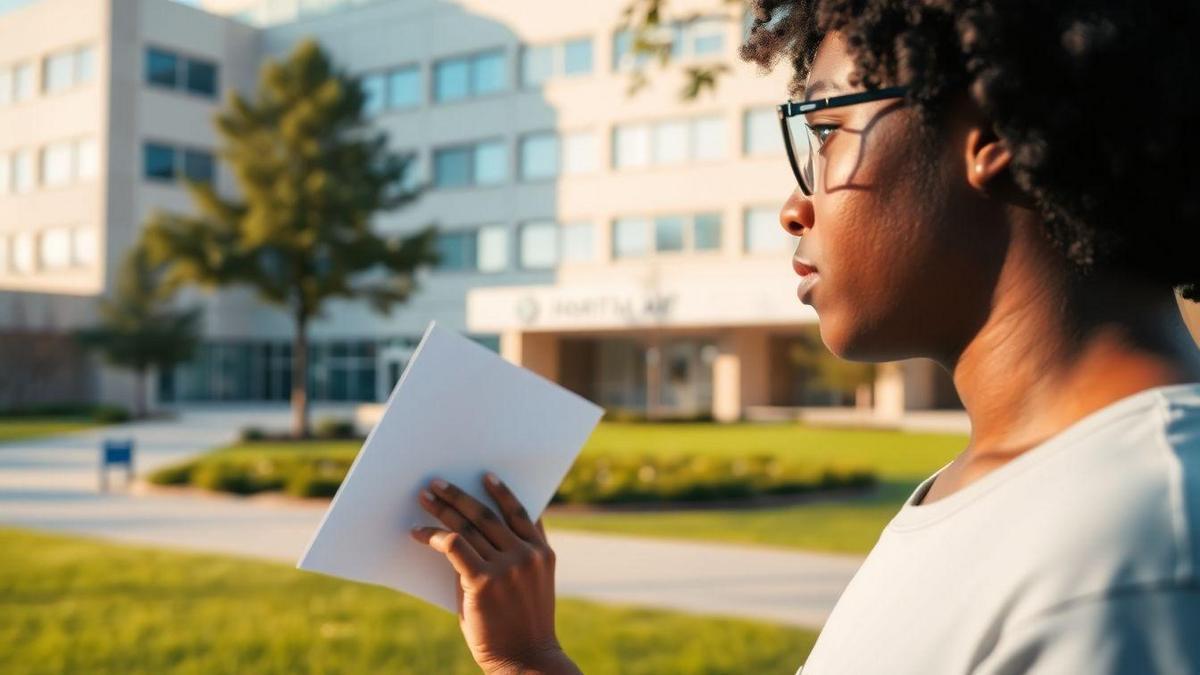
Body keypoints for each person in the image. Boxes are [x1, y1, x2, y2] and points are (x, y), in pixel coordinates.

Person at [409, 1, 1200, 672]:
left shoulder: (1136, 541)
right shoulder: (1006, 492)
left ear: (987, 129)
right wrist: (532, 659)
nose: (795, 205)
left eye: (826, 129)